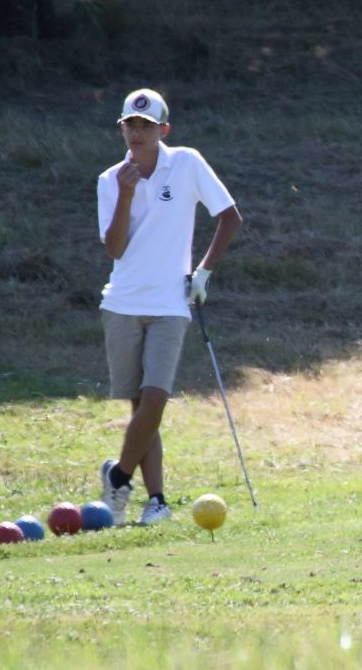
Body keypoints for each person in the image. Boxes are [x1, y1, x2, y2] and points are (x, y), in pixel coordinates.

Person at [96, 88, 242, 525]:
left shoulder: (187, 163)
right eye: (130, 124)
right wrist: (126, 195)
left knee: (156, 397)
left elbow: (230, 216)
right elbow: (115, 248)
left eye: (146, 126)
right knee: (140, 407)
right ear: (121, 128)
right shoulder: (110, 180)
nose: (137, 133)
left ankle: (118, 477)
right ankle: (156, 500)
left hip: (170, 304)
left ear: (164, 130)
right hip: (122, 303)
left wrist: (203, 273)